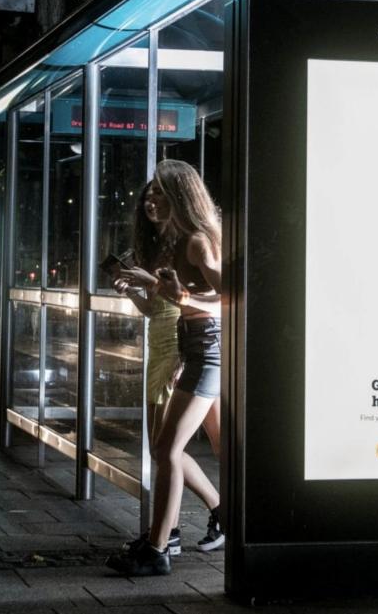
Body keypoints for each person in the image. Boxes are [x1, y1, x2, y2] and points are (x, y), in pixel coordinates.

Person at [107, 159, 224, 577]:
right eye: (148, 193)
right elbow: (170, 302)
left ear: (181, 195)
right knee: (168, 448)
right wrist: (153, 289)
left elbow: (235, 297)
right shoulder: (174, 245)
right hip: (191, 347)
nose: (150, 200)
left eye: (159, 192)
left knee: (168, 449)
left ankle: (159, 546)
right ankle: (162, 538)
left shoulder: (196, 242)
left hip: (208, 348)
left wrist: (177, 296)